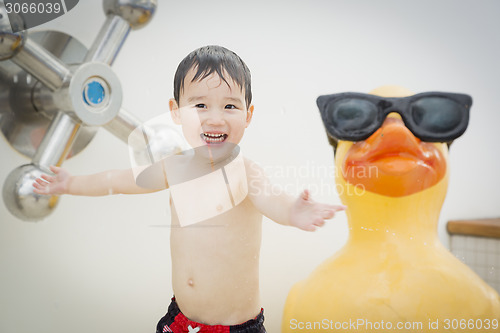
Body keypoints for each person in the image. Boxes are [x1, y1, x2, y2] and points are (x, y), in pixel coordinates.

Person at [33, 45, 345, 333]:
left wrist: (294, 211)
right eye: (200, 105)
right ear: (176, 111)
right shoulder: (174, 167)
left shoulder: (245, 173)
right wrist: (70, 183)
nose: (215, 118)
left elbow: (273, 200)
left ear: (248, 115)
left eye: (230, 106)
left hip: (235, 327)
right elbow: (118, 181)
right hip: (180, 320)